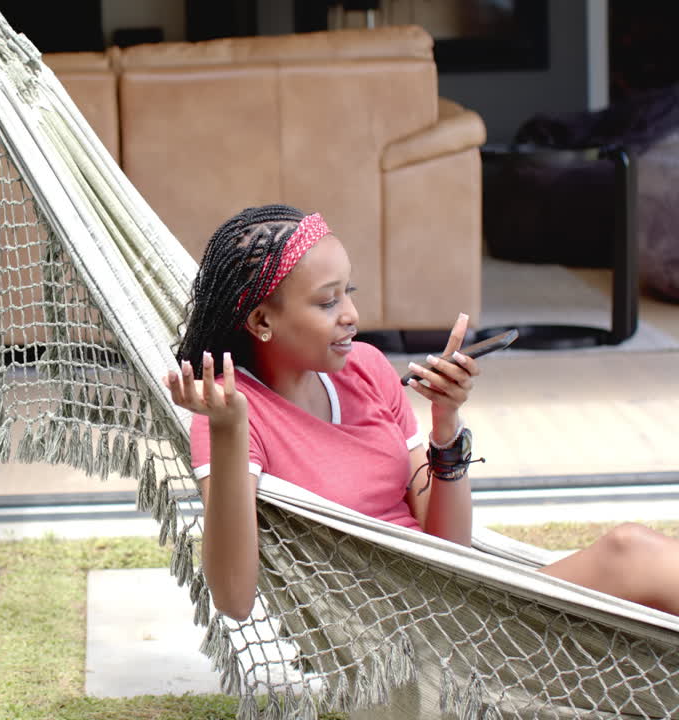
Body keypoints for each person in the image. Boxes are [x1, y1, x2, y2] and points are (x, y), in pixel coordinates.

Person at [163, 204, 679, 620]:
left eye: (349, 293)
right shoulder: (228, 412)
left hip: (455, 603)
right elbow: (234, 600)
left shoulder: (366, 369)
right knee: (628, 553)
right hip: (401, 634)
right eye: (327, 303)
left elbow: (449, 546)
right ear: (262, 321)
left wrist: (445, 425)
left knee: (634, 560)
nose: (352, 316)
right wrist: (229, 433)